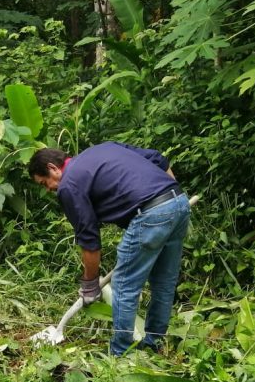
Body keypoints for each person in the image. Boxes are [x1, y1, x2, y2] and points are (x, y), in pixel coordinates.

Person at [28, 142, 190, 356]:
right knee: (164, 282)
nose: (48, 189)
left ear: (53, 168)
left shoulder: (69, 184)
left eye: (44, 182)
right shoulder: (103, 149)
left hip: (150, 213)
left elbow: (89, 241)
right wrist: (171, 199)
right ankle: (154, 344)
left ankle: (120, 353)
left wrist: (90, 285)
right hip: (178, 201)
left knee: (123, 286)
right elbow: (158, 158)